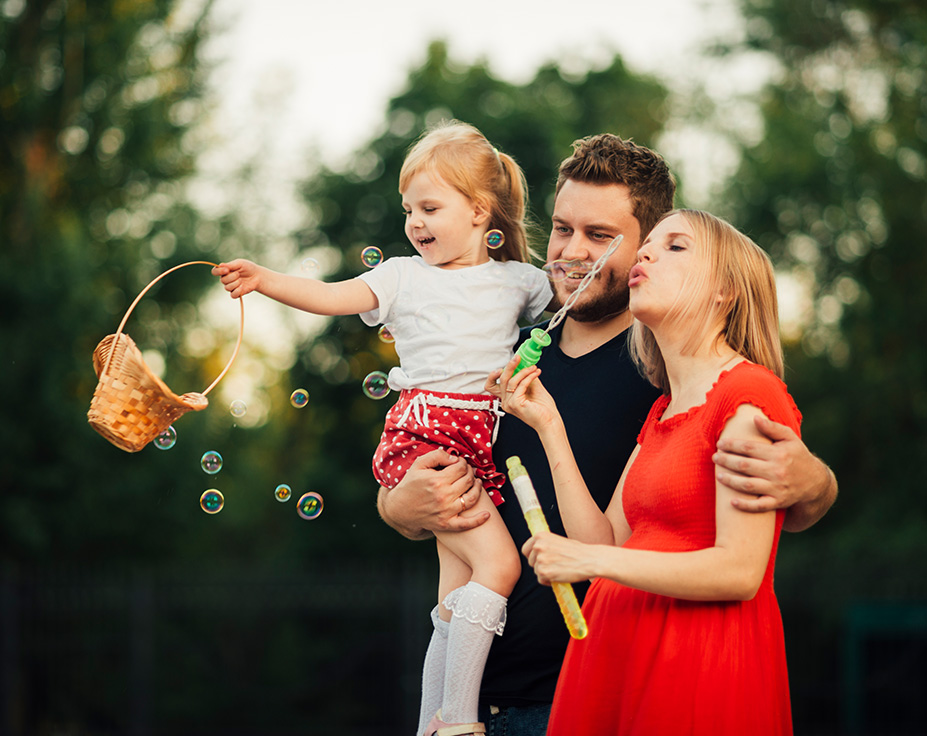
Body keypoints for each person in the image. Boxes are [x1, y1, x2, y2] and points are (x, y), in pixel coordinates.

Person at [378, 134, 838, 736]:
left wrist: (816, 482)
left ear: (643, 247)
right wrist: (399, 506)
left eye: (599, 237)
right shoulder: (504, 357)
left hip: (591, 690)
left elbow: (764, 496)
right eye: (563, 229)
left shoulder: (669, 375)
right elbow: (417, 458)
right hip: (471, 694)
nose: (571, 252)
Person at [213, 121, 553, 736]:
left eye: (429, 207)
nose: (415, 222)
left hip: (478, 444)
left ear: (480, 211)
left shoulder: (519, 282)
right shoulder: (401, 276)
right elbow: (329, 294)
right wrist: (265, 280)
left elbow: (575, 303)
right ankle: (459, 723)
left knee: (455, 589)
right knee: (500, 570)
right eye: (408, 210)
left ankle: (430, 723)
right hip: (427, 440)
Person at [494, 207, 801, 734]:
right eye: (647, 245)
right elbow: (607, 542)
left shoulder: (746, 394)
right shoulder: (663, 410)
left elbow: (740, 571)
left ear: (724, 291)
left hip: (696, 664)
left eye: (675, 246)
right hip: (627, 659)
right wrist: (549, 425)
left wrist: (586, 557)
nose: (645, 254)